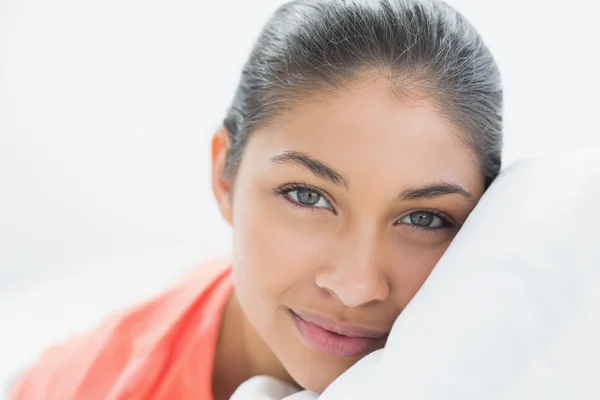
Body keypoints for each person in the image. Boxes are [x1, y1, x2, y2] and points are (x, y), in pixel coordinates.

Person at [10, 0, 503, 398]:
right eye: (307, 195)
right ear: (225, 175)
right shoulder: (87, 385)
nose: (356, 286)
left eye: (424, 217)